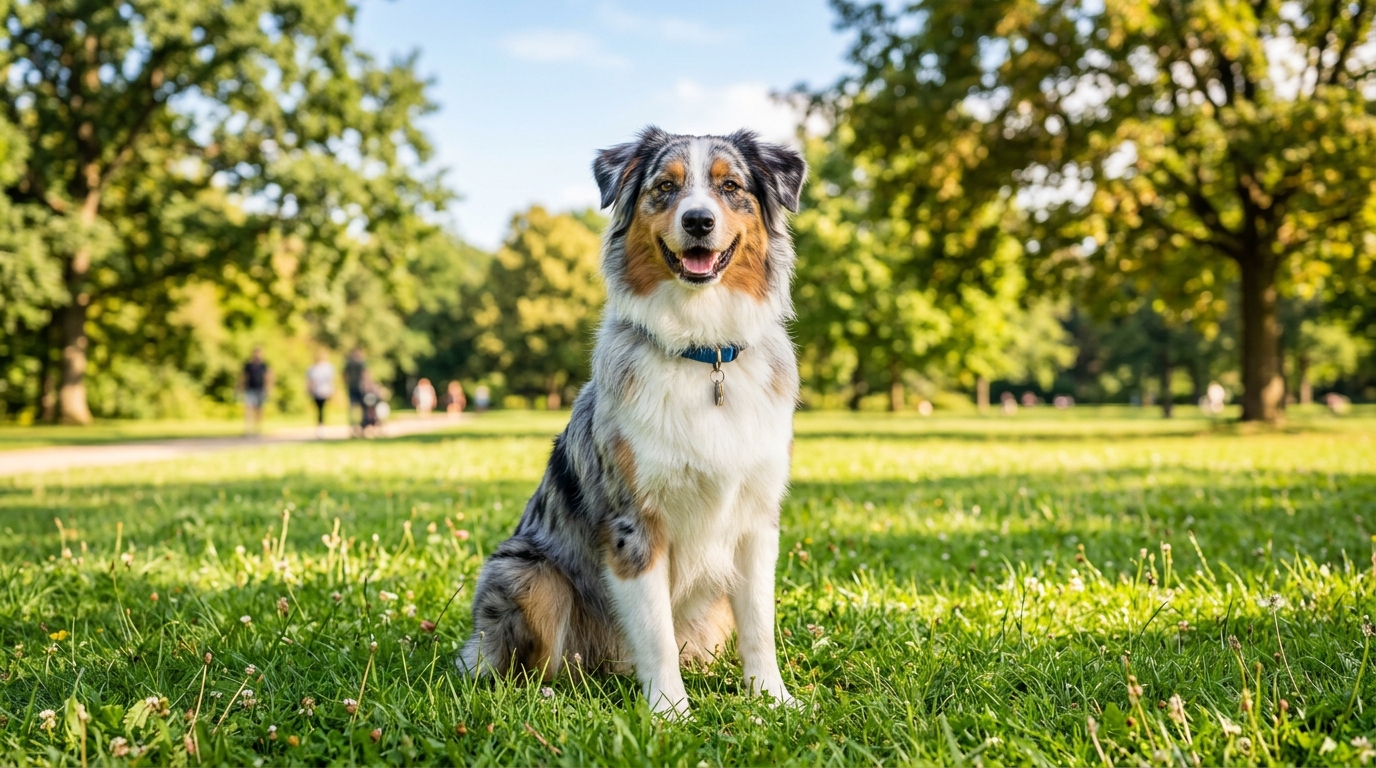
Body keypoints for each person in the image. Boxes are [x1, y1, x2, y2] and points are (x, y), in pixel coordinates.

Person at [237, 347, 272, 436]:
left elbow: (268, 378)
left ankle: (258, 429)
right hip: (250, 389)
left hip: (260, 389)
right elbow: (244, 377)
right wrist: (240, 387)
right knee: (248, 408)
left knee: (259, 410)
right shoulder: (248, 366)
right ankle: (248, 429)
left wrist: (268, 389)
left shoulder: (264, 365)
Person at [306, 351, 336, 438]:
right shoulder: (312, 368)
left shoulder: (328, 367)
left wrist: (332, 391)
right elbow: (310, 380)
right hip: (316, 392)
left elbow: (331, 380)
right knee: (319, 409)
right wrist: (309, 389)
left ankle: (321, 426)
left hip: (325, 391)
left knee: (322, 409)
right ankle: (320, 426)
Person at [344, 348, 367, 437]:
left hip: (359, 388)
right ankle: (354, 428)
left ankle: (361, 427)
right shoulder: (350, 364)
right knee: (353, 409)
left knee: (361, 409)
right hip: (354, 388)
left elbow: (365, 374)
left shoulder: (361, 363)